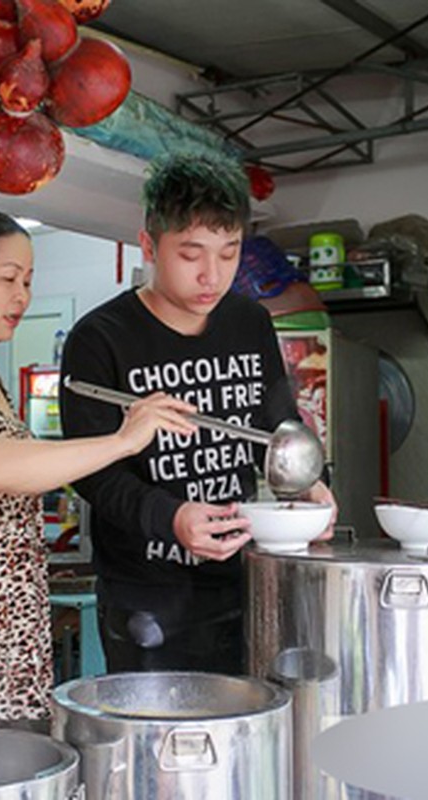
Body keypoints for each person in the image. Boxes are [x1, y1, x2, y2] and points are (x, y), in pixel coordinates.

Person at [0, 209, 196, 732]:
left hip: (0, 635)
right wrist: (121, 440)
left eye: (27, 281)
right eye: (6, 279)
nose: (21, 296)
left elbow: (16, 466)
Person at [59, 153, 336, 675]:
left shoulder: (249, 321)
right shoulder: (100, 339)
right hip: (147, 595)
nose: (213, 276)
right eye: (191, 255)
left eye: (229, 253)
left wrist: (306, 486)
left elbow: (275, 428)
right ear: (148, 246)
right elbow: (94, 473)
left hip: (246, 578)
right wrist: (170, 518)